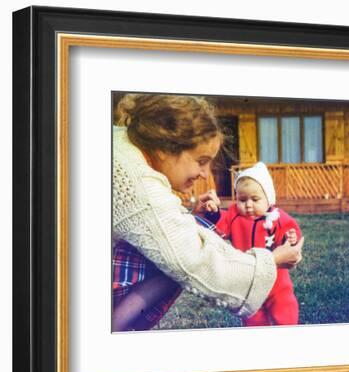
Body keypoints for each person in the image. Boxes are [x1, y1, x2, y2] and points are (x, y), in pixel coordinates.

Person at [112, 94, 304, 331]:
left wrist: (191, 215)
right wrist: (272, 261)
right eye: (201, 161)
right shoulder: (138, 182)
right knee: (177, 259)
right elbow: (193, 259)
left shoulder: (124, 149)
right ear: (165, 149)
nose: (205, 174)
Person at [199, 162, 302, 326]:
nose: (248, 205)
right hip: (249, 281)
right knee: (253, 317)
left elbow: (290, 232)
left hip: (277, 280)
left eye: (255, 199)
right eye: (242, 199)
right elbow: (222, 224)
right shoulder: (234, 216)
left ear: (269, 199)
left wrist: (290, 238)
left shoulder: (277, 218)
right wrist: (214, 213)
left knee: (285, 311)